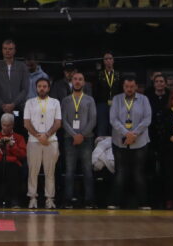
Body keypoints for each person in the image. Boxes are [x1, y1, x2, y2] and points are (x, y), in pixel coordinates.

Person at [108, 75, 151, 210]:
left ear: (136, 87)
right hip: (120, 141)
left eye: (132, 87)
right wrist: (127, 133)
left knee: (138, 173)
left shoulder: (144, 99)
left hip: (140, 142)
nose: (129, 89)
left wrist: (134, 134)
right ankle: (115, 202)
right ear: (123, 87)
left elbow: (147, 119)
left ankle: (143, 203)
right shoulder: (116, 99)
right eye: (127, 86)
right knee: (120, 172)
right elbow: (113, 119)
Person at [61, 70, 98, 208]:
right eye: (75, 79)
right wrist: (74, 135)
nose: (77, 81)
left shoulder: (90, 100)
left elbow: (93, 120)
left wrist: (81, 135)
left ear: (84, 82)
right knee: (69, 171)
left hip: (87, 139)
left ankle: (89, 200)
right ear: (71, 82)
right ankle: (68, 200)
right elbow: (63, 120)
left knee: (87, 170)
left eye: (80, 79)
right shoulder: (65, 100)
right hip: (69, 139)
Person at [25, 77, 62, 209]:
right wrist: (38, 136)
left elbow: (58, 122)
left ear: (48, 88)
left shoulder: (55, 102)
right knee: (33, 171)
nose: (42, 88)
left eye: (44, 86)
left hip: (51, 140)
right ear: (36, 88)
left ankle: (49, 199)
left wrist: (46, 135)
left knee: (50, 172)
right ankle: (32, 198)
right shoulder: (29, 102)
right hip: (33, 141)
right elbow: (26, 123)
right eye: (39, 86)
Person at [0, 113, 27, 208]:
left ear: (13, 125)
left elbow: (23, 154)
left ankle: (14, 200)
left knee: (13, 169)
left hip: (12, 163)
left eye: (9, 125)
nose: (6, 128)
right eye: (4, 125)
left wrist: (13, 146)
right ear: (1, 124)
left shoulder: (19, 137)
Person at [0, 39, 30, 127]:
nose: (7, 51)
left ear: (14, 51)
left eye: (10, 49)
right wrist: (2, 105)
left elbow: (25, 89)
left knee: (17, 131)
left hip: (17, 109)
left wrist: (13, 104)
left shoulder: (22, 67)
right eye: (5, 48)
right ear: (2, 50)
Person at [93, 51, 124, 136]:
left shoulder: (119, 74)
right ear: (103, 61)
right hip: (102, 104)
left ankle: (115, 143)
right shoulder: (99, 74)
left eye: (110, 58)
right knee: (102, 126)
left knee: (115, 127)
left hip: (116, 104)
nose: (108, 61)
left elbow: (122, 90)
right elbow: (95, 90)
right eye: (106, 59)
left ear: (113, 60)